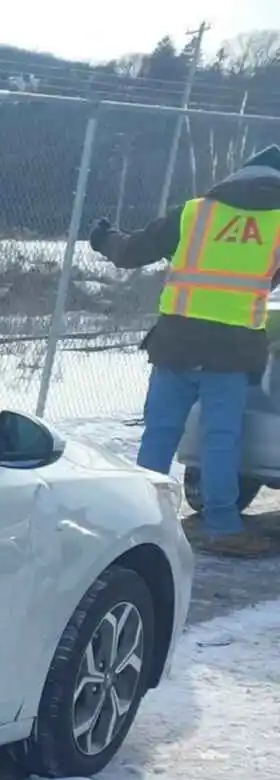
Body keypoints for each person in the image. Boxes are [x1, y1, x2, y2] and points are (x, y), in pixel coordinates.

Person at [88, 144, 280, 559]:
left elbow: (132, 251)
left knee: (159, 433)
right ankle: (222, 526)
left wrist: (105, 238)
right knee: (221, 439)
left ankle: (137, 519)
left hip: (175, 343)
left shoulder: (196, 212)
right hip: (231, 352)